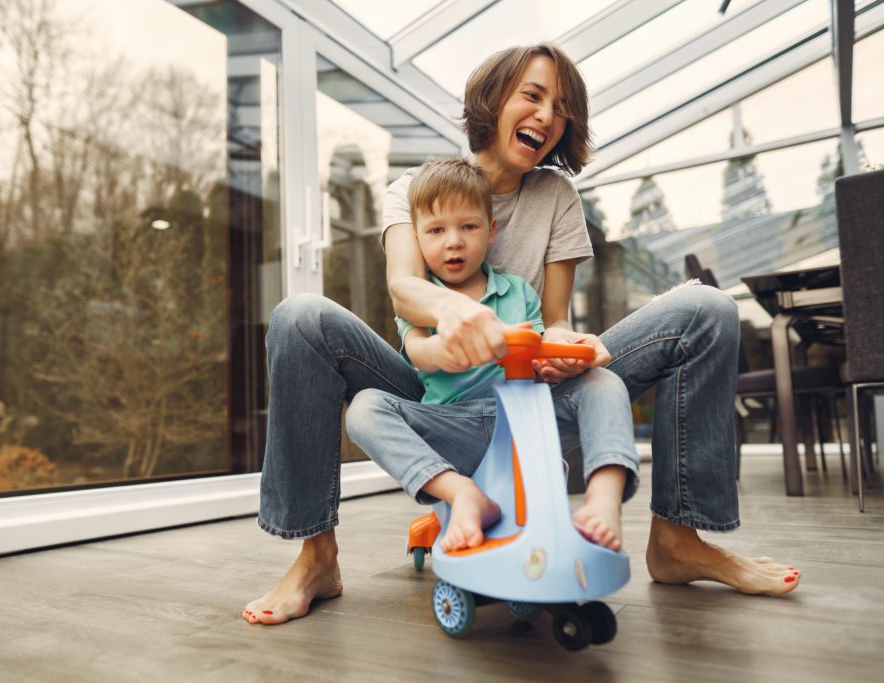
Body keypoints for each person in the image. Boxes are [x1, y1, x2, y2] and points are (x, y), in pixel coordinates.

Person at [243, 43, 800, 627]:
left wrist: (565, 352)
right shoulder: (413, 189)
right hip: (432, 385)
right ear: (493, 98)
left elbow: (554, 316)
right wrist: (452, 316)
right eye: (531, 96)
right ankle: (317, 558)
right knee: (300, 316)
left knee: (708, 307)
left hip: (527, 392)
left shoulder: (556, 196)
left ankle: (678, 543)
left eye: (559, 107)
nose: (545, 115)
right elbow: (405, 289)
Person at [345, 156, 637, 555]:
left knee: (603, 382)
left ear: (491, 230)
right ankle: (461, 492)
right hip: (450, 426)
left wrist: (561, 358)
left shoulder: (518, 292)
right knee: (364, 408)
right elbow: (417, 352)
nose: (454, 241)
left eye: (468, 226)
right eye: (436, 230)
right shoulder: (421, 301)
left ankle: (603, 500)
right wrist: (442, 350)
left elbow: (537, 352)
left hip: (522, 420)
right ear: (417, 237)